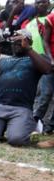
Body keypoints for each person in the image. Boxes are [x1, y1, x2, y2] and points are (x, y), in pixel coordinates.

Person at [0, 29, 51, 146]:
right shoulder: (4, 60)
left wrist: (28, 48)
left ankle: (32, 127)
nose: (16, 42)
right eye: (14, 40)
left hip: (21, 108)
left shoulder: (36, 58)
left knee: (17, 140)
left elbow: (47, 69)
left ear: (29, 42)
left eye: (20, 39)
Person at [34, 6, 54, 134]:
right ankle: (34, 121)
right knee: (45, 94)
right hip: (50, 61)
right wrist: (51, 59)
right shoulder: (50, 19)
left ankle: (49, 127)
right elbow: (45, 42)